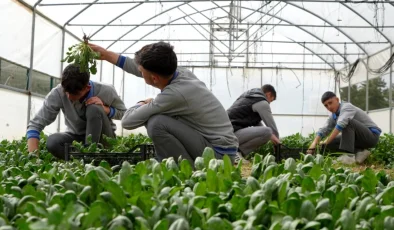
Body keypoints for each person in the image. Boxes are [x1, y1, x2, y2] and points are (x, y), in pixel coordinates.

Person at [89, 42, 238, 164]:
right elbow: (138, 67)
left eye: (142, 72)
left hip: (218, 157)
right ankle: (175, 161)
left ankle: (186, 170)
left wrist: (142, 103)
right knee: (157, 117)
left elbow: (127, 121)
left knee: (156, 122)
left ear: (154, 78)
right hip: (221, 148)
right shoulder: (179, 73)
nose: (139, 73)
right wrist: (107, 54)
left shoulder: (174, 94)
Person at [27, 64, 127, 159]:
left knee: (94, 108)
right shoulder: (57, 93)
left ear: (87, 88)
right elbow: (35, 125)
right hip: (77, 137)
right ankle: (86, 159)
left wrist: (106, 109)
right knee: (53, 142)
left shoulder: (106, 90)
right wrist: (34, 159)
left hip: (104, 138)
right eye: (67, 92)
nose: (69, 97)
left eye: (75, 93)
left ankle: (93, 156)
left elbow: (124, 114)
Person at [307, 91, 381, 164]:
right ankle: (359, 152)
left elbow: (341, 125)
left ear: (337, 100)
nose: (329, 107)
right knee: (330, 142)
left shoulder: (346, 107)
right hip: (358, 139)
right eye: (326, 105)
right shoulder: (334, 115)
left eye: (330, 103)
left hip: (371, 137)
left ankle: (349, 157)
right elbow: (324, 129)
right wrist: (314, 144)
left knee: (347, 122)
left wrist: (326, 141)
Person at [227, 85, 280, 161]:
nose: (269, 103)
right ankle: (235, 153)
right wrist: (278, 144)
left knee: (267, 132)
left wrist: (272, 136)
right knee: (268, 131)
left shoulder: (250, 97)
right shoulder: (262, 102)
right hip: (230, 134)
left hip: (226, 132)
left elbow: (259, 127)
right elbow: (271, 126)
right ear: (268, 94)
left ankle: (235, 153)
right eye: (270, 101)